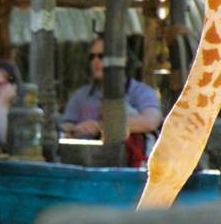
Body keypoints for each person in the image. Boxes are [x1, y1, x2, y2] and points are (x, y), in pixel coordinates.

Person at [61, 37, 163, 166]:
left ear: (122, 59)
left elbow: (150, 122)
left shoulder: (141, 92)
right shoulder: (80, 96)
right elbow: (64, 127)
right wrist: (76, 129)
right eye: (92, 57)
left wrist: (100, 126)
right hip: (84, 165)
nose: (96, 61)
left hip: (127, 167)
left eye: (101, 56)